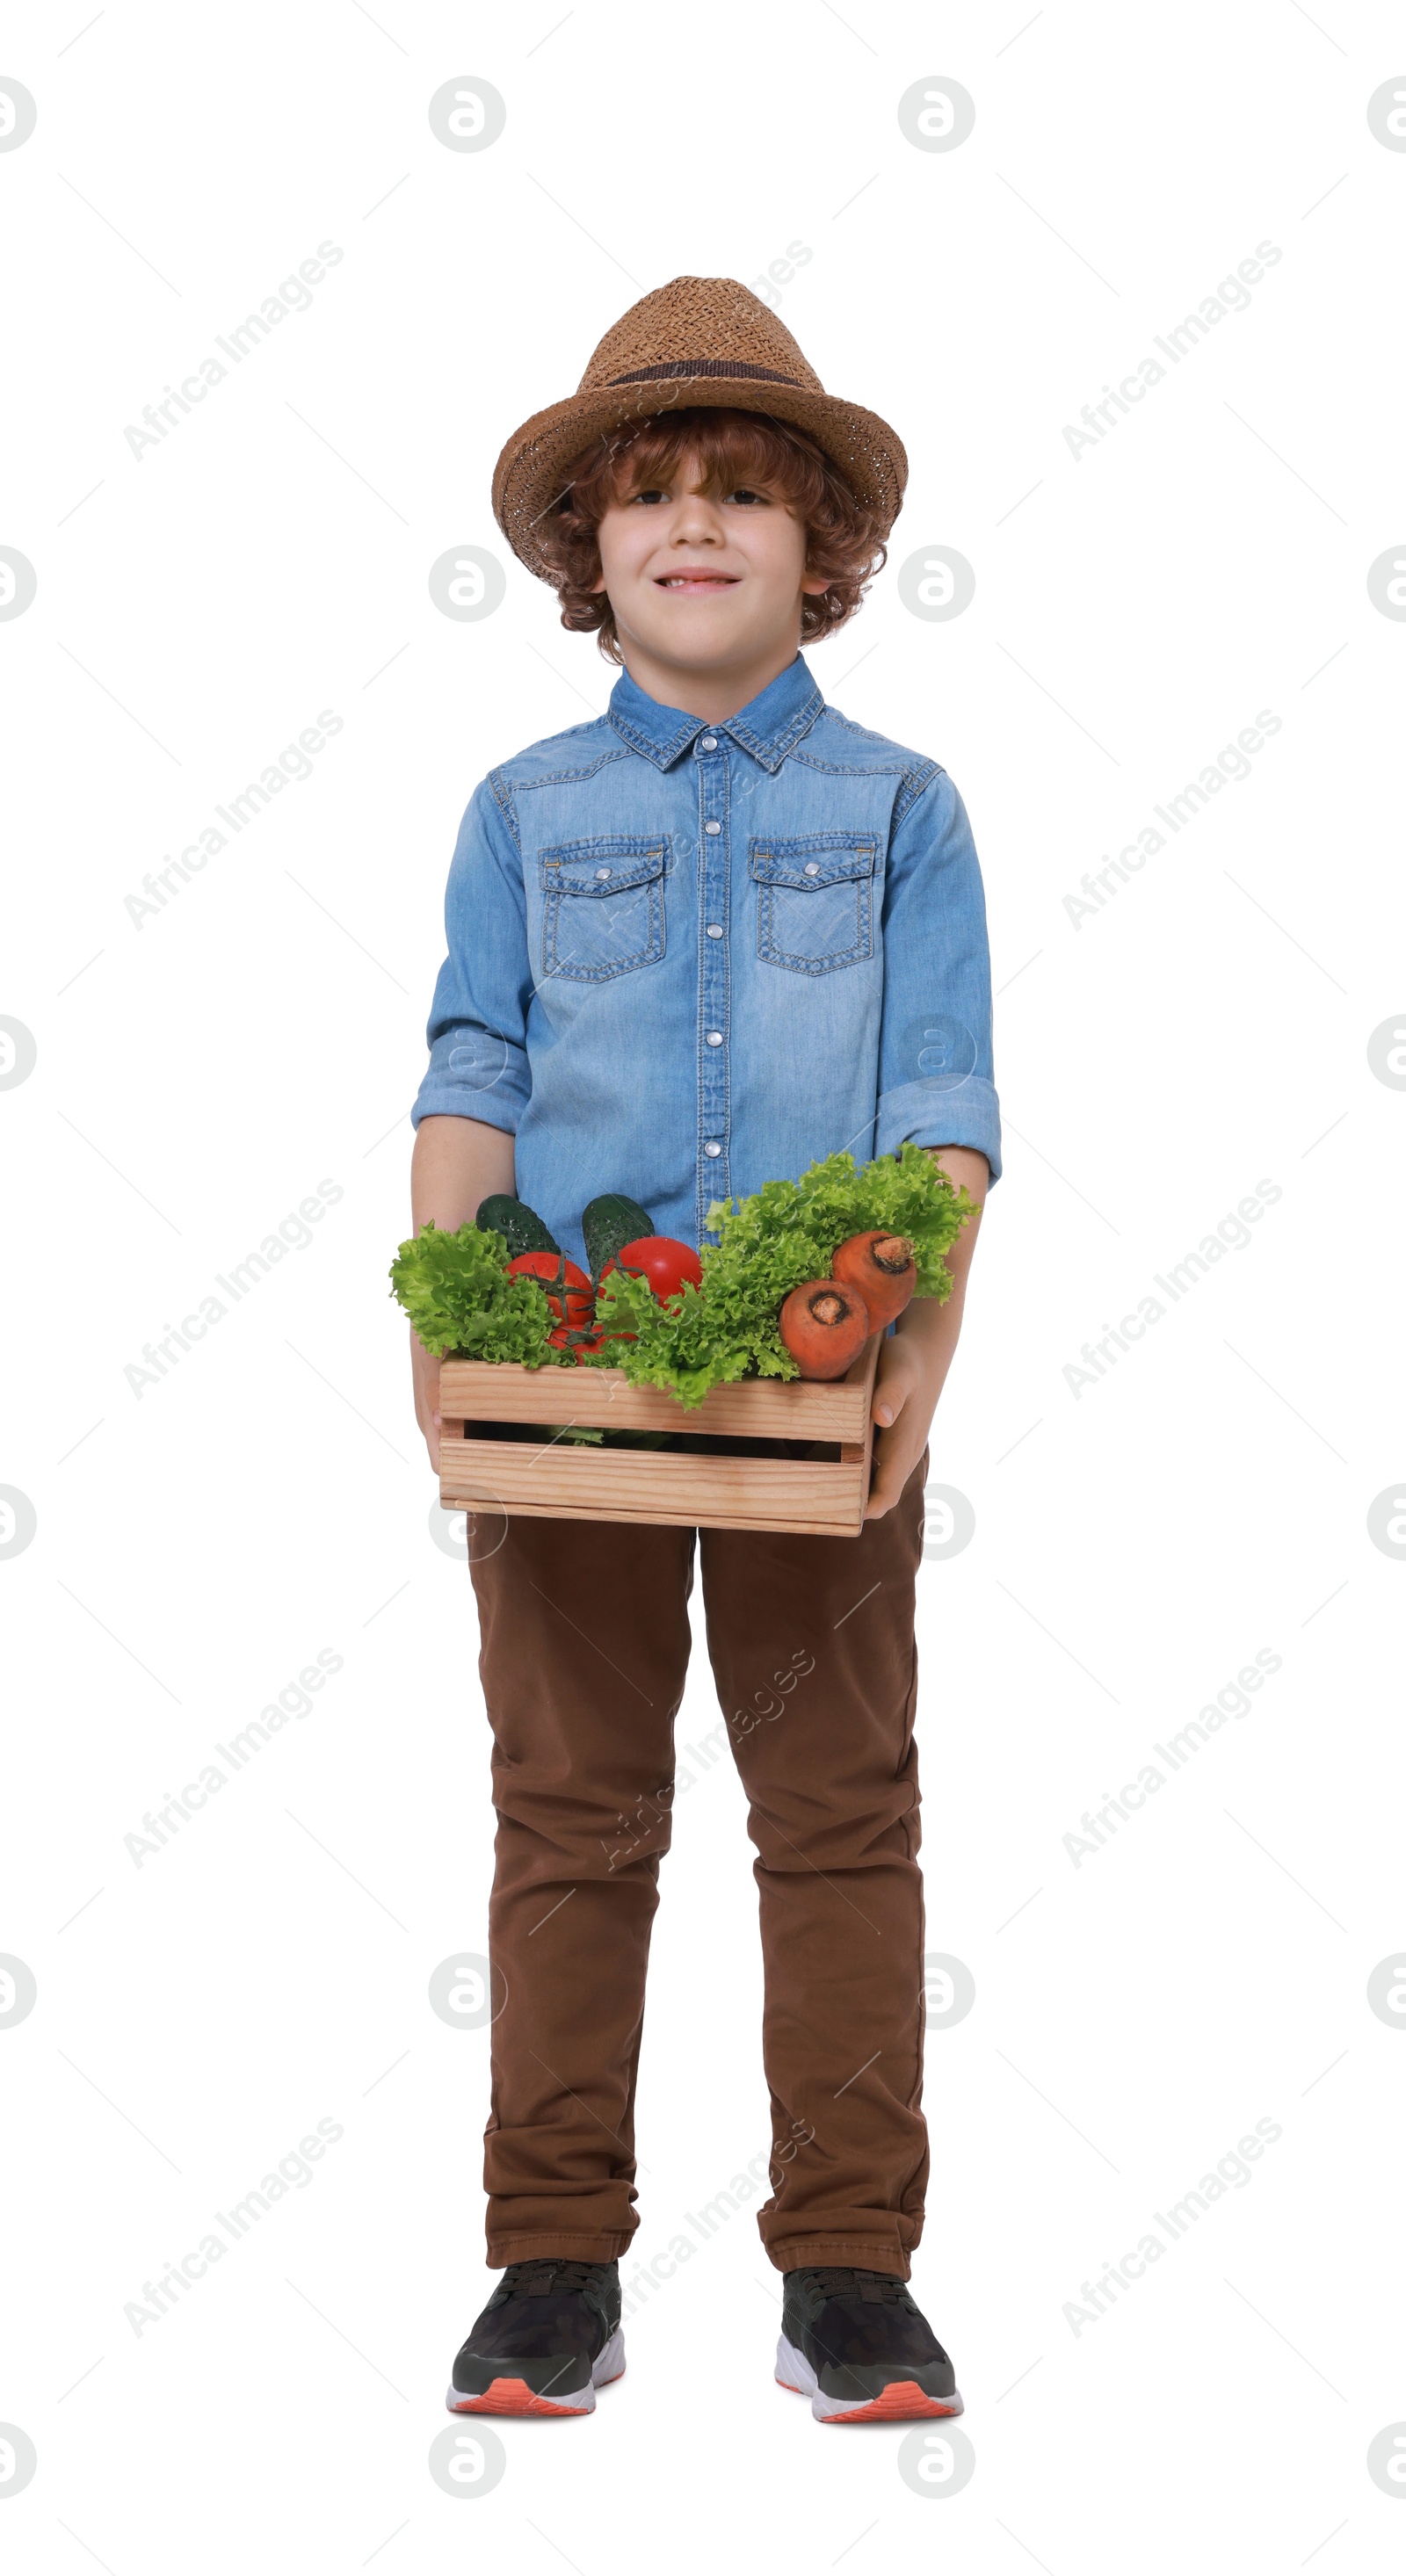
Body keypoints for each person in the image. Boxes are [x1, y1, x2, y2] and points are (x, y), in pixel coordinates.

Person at [408, 277, 1000, 2424]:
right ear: (586, 551)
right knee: (569, 1813)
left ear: (819, 546)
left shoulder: (906, 805)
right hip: (566, 1379)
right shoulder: (521, 808)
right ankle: (551, 2255)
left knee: (838, 1813)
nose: (689, 525)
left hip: (819, 1396)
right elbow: (470, 1066)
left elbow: (942, 1102)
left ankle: (847, 2262)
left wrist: (920, 1319)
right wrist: (443, 1318)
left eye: (740, 493)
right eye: (646, 493)